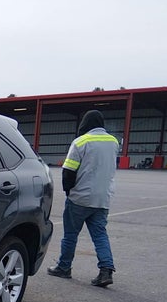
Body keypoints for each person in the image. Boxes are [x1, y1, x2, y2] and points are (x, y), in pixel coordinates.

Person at [47, 110, 118, 287]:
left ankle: (64, 267)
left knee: (70, 235)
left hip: (80, 198)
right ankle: (106, 270)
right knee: (100, 235)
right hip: (103, 198)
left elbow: (68, 171)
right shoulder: (113, 142)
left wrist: (68, 191)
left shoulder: (81, 142)